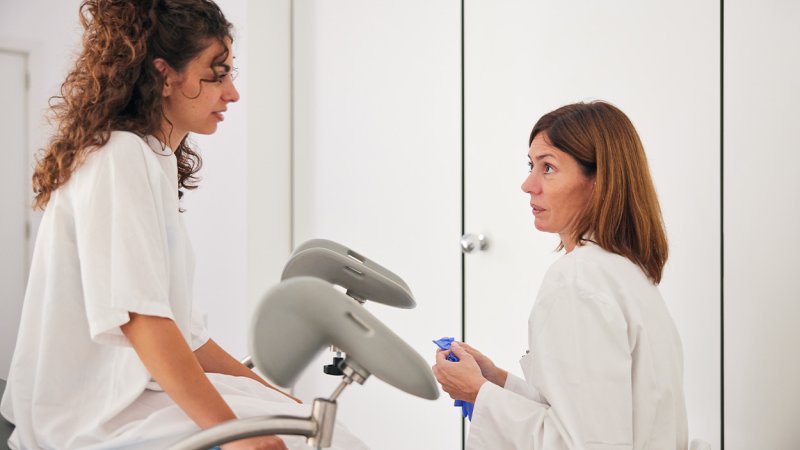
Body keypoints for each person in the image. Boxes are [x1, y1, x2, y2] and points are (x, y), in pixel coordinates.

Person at [0, 1, 367, 449]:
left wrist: (288, 405)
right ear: (165, 76)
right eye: (217, 75)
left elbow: (188, 339)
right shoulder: (119, 157)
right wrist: (233, 435)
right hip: (92, 417)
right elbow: (142, 320)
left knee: (326, 433)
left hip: (131, 396)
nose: (232, 93)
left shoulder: (152, 160)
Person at [433, 101, 688, 449]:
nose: (528, 184)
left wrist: (478, 393)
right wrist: (496, 382)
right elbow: (593, 418)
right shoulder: (626, 274)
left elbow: (584, 444)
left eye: (548, 167)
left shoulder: (578, 280)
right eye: (531, 165)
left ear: (599, 181)